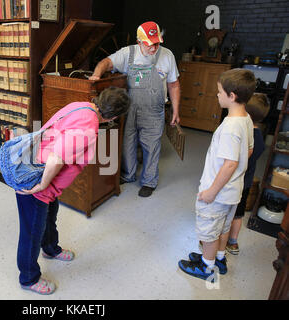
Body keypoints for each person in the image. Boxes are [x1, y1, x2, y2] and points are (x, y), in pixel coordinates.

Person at [15, 87, 130, 295]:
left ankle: (50, 248)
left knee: (49, 218)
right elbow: (56, 157)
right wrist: (41, 186)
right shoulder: (89, 125)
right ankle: (28, 278)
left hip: (40, 175)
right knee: (31, 233)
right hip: (37, 183)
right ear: (113, 116)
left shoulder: (81, 105)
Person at [178, 68, 256, 281]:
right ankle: (218, 258)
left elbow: (230, 164)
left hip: (219, 194)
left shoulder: (230, 127)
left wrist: (211, 192)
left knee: (210, 231)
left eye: (220, 92)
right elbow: (248, 150)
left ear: (232, 96)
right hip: (233, 192)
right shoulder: (246, 119)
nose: (217, 95)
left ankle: (206, 266)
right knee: (222, 227)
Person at [89, 21, 181, 197]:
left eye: (156, 43)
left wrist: (176, 110)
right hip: (130, 109)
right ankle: (128, 174)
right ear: (139, 42)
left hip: (154, 110)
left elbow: (174, 84)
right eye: (149, 45)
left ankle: (149, 181)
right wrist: (96, 74)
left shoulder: (167, 55)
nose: (153, 48)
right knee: (127, 143)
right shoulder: (128, 53)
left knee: (151, 146)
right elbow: (106, 62)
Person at [226, 93, 269, 254]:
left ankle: (219, 242)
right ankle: (233, 242)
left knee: (227, 213)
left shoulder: (246, 135)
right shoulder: (259, 137)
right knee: (238, 214)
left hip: (235, 182)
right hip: (247, 183)